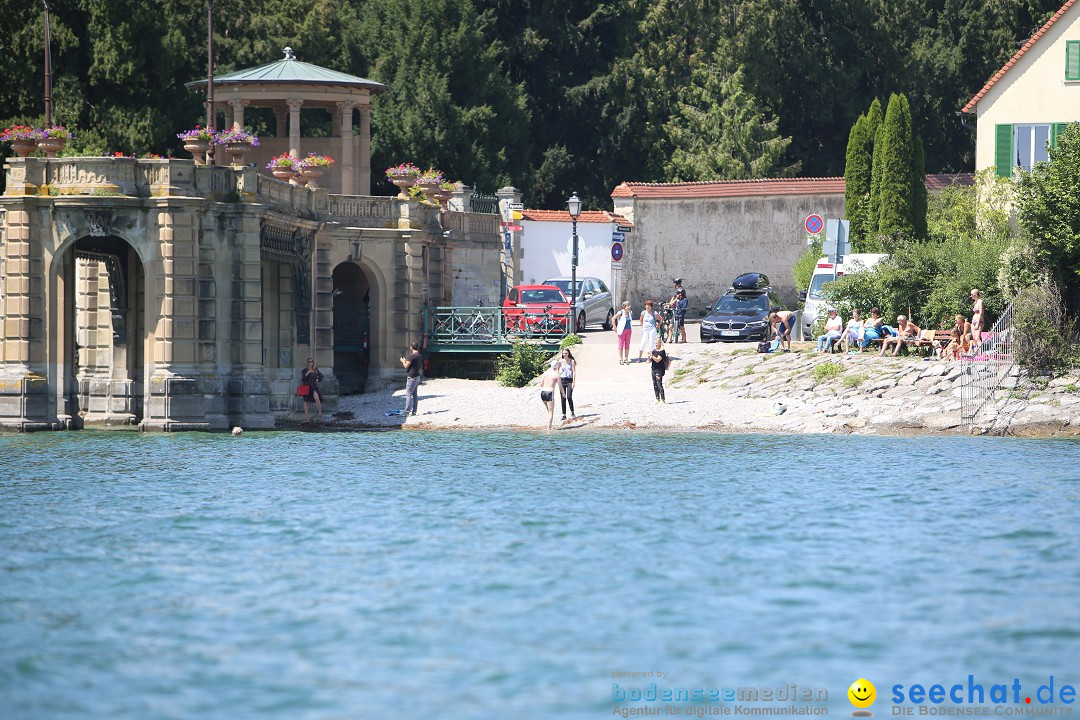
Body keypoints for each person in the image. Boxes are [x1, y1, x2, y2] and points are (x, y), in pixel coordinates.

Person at [399, 342, 423, 416]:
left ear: (412, 347)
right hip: (417, 376)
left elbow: (406, 366)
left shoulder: (412, 356)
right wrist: (406, 361)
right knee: (415, 394)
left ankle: (406, 412)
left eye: (410, 347)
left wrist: (403, 361)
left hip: (411, 377)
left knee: (408, 394)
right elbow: (412, 365)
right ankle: (414, 411)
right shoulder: (419, 355)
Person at [539, 359, 562, 431]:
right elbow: (560, 386)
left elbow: (541, 384)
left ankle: (548, 425)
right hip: (549, 392)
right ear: (557, 366)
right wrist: (563, 394)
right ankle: (548, 428)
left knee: (548, 410)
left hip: (543, 393)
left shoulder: (545, 373)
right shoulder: (556, 375)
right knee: (551, 411)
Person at [558, 347, 577, 421]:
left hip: (569, 380)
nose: (564, 354)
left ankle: (572, 412)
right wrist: (558, 379)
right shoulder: (560, 361)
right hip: (562, 380)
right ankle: (564, 414)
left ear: (568, 353)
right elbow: (557, 370)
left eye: (566, 353)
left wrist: (573, 382)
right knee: (563, 397)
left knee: (569, 396)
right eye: (563, 353)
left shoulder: (571, 361)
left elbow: (574, 371)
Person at [668, 278, 688, 343]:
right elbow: (673, 298)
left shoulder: (682, 292)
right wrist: (670, 304)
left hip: (680, 312)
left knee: (681, 326)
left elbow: (675, 298)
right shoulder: (678, 292)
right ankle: (670, 339)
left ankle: (684, 339)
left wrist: (672, 302)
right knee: (670, 326)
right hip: (676, 311)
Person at [649, 337, 669, 403]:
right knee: (655, 384)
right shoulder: (654, 351)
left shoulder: (662, 351)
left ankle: (663, 399)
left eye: (657, 343)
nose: (656, 344)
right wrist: (649, 357)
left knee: (659, 384)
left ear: (660, 343)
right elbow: (650, 360)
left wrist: (652, 356)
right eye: (655, 343)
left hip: (659, 370)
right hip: (653, 369)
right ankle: (657, 398)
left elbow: (658, 360)